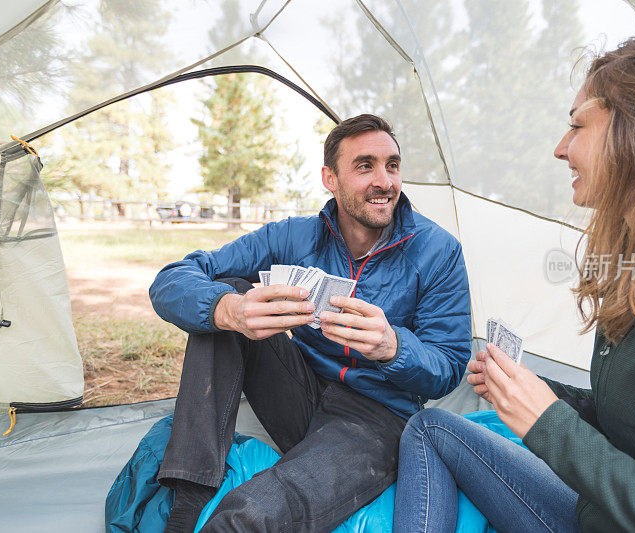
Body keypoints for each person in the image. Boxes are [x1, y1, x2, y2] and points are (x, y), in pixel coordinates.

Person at [394, 22, 635, 532]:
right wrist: (534, 393)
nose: (560, 148)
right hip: (591, 515)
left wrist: (550, 427)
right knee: (431, 428)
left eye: (578, 125)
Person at [149, 113, 471, 532]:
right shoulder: (295, 236)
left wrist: (394, 347)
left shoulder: (438, 250)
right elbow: (173, 278)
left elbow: (448, 367)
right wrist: (229, 309)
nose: (385, 181)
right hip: (299, 390)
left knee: (253, 513)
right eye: (364, 166)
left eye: (392, 165)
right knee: (227, 291)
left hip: (375, 418)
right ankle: (188, 499)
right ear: (329, 178)